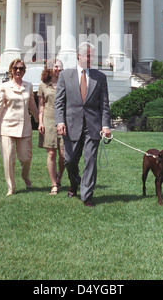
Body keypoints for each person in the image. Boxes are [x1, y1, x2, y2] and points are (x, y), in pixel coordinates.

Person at [55, 42, 111, 207]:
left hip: (92, 126)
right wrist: (59, 122)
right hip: (71, 125)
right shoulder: (65, 75)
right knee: (70, 160)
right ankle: (74, 182)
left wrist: (105, 125)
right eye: (87, 55)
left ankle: (87, 196)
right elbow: (59, 102)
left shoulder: (100, 77)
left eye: (92, 55)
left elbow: (104, 104)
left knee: (90, 161)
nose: (90, 58)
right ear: (78, 56)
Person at [0, 58, 39, 196]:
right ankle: (11, 188)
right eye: (15, 68)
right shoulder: (4, 86)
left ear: (24, 71)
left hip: (24, 127)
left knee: (25, 158)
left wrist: (40, 121)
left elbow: (33, 107)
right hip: (6, 126)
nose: (18, 70)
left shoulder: (28, 86)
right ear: (11, 70)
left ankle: (25, 177)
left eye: (21, 68)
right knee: (8, 159)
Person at [38, 58, 65, 195]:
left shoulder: (65, 84)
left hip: (63, 122)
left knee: (63, 155)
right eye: (56, 66)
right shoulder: (43, 85)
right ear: (49, 68)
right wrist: (40, 122)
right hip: (48, 121)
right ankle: (54, 184)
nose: (58, 69)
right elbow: (41, 106)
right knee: (51, 153)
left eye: (60, 67)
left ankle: (59, 176)